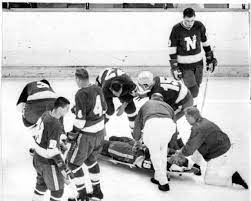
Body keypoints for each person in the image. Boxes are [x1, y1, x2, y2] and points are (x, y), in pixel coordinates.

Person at [172, 106, 248, 189]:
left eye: (186, 117)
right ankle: (196, 165)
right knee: (198, 144)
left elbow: (189, 150)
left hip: (219, 152)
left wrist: (180, 152)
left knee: (209, 180)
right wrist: (183, 150)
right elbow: (193, 142)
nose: (186, 120)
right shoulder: (203, 121)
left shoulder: (197, 128)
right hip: (223, 144)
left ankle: (232, 178)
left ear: (191, 117)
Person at [67, 68, 107, 201]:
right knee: (91, 161)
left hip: (87, 136)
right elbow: (105, 108)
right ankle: (97, 192)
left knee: (73, 164)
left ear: (77, 79)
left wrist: (72, 134)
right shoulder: (98, 88)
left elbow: (80, 121)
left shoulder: (80, 93)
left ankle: (82, 196)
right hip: (100, 132)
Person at [168, 7, 217, 104]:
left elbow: (205, 42)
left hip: (198, 64)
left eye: (192, 20)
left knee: (197, 86)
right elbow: (172, 48)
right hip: (184, 66)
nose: (190, 23)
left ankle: (186, 102)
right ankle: (187, 106)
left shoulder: (199, 26)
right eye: (187, 21)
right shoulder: (176, 29)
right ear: (183, 18)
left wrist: (209, 58)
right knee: (193, 91)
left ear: (195, 17)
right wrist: (174, 66)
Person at [133, 93, 177, 191]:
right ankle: (158, 177)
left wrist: (136, 140)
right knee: (162, 152)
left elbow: (137, 124)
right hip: (168, 126)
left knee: (155, 154)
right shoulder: (168, 107)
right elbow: (175, 127)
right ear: (162, 99)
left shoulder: (146, 104)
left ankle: (163, 182)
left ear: (152, 98)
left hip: (152, 124)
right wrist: (172, 144)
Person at [31, 97, 72, 201]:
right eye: (66, 108)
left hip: (37, 158)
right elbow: (52, 152)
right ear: (60, 109)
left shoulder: (46, 114)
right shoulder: (55, 124)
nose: (68, 111)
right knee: (57, 192)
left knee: (41, 185)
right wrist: (64, 169)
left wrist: (59, 142)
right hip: (48, 164)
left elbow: (37, 134)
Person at [96, 67, 138, 134]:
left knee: (130, 109)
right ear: (110, 89)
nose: (118, 96)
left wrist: (123, 106)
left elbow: (135, 93)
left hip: (120, 80)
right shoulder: (105, 89)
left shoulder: (129, 84)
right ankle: (97, 128)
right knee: (109, 110)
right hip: (102, 79)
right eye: (115, 93)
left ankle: (135, 131)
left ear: (122, 86)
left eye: (119, 92)